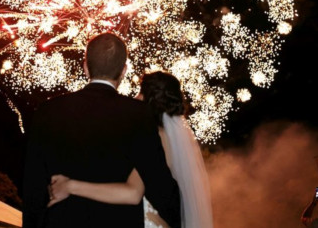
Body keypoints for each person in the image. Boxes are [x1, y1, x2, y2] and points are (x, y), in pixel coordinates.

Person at [22, 33, 181, 228]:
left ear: (85, 67)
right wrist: (177, 217)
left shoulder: (49, 110)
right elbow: (159, 185)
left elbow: (33, 188)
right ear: (123, 71)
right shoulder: (139, 115)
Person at [47, 71, 213, 228]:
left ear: (148, 99)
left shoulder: (157, 136)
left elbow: (132, 193)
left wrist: (69, 186)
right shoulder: (166, 137)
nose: (135, 97)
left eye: (139, 92)